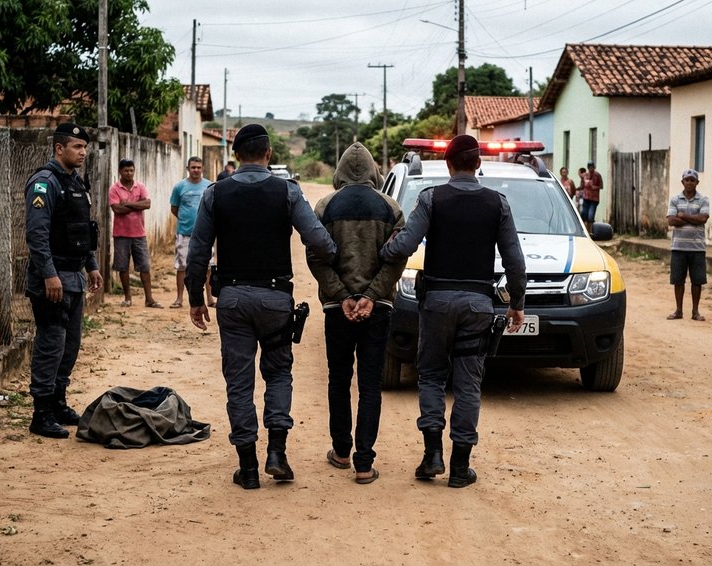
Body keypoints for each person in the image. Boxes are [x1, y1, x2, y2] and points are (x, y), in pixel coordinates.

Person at [184, 124, 337, 489]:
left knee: (239, 382)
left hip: (232, 299)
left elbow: (198, 250)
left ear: (236, 156)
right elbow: (319, 240)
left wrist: (195, 298)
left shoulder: (215, 193)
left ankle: (248, 467)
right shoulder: (287, 191)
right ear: (269, 154)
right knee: (279, 373)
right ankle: (277, 454)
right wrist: (335, 255)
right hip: (275, 300)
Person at [380, 134, 527, 488]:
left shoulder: (432, 199)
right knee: (468, 384)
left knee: (431, 376)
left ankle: (432, 455)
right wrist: (517, 304)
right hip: (478, 306)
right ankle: (460, 468)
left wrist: (382, 251)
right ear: (478, 164)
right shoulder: (497, 204)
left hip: (436, 304)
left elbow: (405, 244)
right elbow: (515, 262)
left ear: (448, 165)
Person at [306, 142, 406, 485]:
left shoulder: (325, 206)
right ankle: (364, 463)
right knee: (370, 385)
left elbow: (315, 256)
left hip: (338, 310)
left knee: (338, 380)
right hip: (378, 309)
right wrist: (372, 296)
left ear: (340, 172)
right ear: (374, 173)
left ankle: (341, 451)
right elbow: (397, 258)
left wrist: (343, 296)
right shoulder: (391, 207)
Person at [23, 123, 103, 439]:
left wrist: (92, 266)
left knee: (69, 346)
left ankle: (58, 403)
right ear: (59, 148)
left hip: (74, 277)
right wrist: (49, 274)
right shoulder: (44, 183)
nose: (83, 153)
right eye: (77, 147)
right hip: (52, 280)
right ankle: (41, 414)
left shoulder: (75, 182)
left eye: (85, 148)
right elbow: (37, 234)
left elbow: (82, 230)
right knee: (50, 345)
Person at [109, 158, 160, 308]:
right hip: (121, 234)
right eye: (126, 170)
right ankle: (127, 298)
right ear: (120, 171)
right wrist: (138, 205)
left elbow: (147, 204)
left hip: (139, 233)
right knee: (123, 267)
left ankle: (149, 299)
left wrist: (128, 204)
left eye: (131, 170)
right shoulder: (114, 189)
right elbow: (117, 209)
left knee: (144, 266)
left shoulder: (140, 186)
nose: (129, 173)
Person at [666, 169, 710, 321]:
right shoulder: (675, 199)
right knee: (678, 280)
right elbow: (671, 220)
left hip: (697, 248)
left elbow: (703, 219)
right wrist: (693, 218)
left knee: (697, 281)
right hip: (678, 247)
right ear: (682, 182)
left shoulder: (703, 199)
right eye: (687, 180)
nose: (689, 183)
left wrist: (683, 215)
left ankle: (695, 311)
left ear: (697, 182)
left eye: (692, 180)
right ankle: (678, 310)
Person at [169, 156, 212, 308]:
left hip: (205, 234)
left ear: (203, 169)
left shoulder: (209, 186)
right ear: (188, 169)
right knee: (182, 266)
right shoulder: (179, 187)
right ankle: (179, 299)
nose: (196, 170)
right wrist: (186, 220)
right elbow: (174, 208)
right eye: (193, 167)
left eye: (199, 167)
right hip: (184, 233)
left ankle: (210, 299)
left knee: (208, 267)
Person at [580, 161, 603, 234]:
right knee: (584, 215)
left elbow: (601, 186)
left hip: (594, 198)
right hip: (586, 197)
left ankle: (590, 231)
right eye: (589, 167)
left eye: (592, 167)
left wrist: (594, 187)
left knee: (590, 215)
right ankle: (585, 232)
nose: (591, 169)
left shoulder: (597, 175)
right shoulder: (585, 175)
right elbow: (582, 185)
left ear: (594, 167)